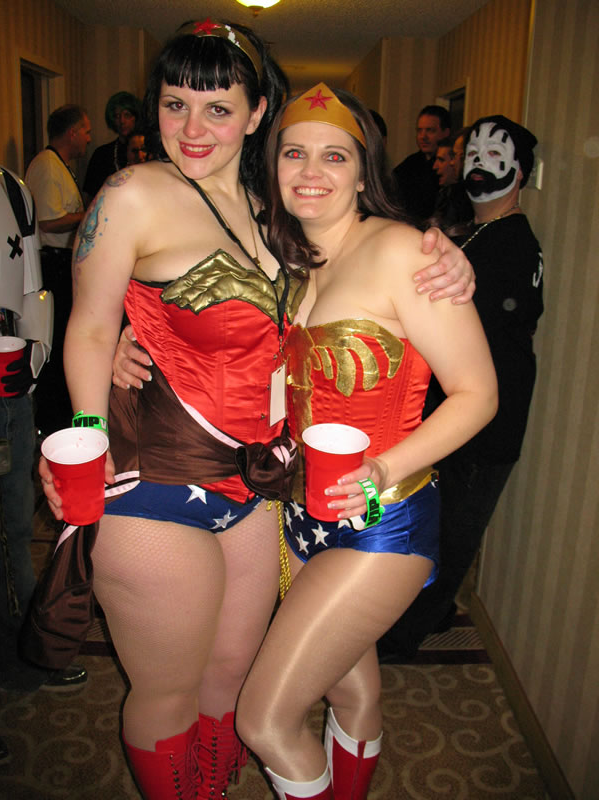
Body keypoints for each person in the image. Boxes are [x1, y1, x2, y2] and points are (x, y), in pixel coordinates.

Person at [39, 24, 475, 800]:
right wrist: (90, 426)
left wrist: (448, 254)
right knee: (167, 690)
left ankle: (211, 784)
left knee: (233, 675)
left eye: (218, 107)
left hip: (256, 485)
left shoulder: (276, 208)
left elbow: (358, 260)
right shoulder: (131, 193)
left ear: (255, 114)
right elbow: (92, 326)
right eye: (175, 104)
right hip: (157, 475)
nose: (193, 128)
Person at [232, 85, 497, 800]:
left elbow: (478, 393)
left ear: (362, 171)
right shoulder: (287, 258)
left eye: (334, 155)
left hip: (384, 520)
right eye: (294, 153)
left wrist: (383, 467)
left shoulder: (404, 251)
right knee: (349, 692)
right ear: (272, 166)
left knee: (264, 719)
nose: (310, 171)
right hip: (300, 515)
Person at [378, 115, 544, 663]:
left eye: (495, 155)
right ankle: (432, 610)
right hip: (465, 416)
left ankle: (403, 636)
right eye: (472, 152)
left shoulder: (509, 242)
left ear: (521, 172)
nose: (478, 164)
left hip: (485, 424)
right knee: (441, 521)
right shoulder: (477, 232)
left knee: (450, 535)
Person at [0, 166, 87, 708]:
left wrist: (31, 360)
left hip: (9, 386)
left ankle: (26, 654)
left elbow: (31, 287)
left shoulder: (12, 190)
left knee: (14, 530)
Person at [25, 104, 91, 435]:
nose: (89, 138)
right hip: (52, 264)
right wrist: (88, 214)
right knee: (57, 340)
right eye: (86, 131)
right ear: (72, 132)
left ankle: (63, 412)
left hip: (63, 262)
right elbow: (48, 222)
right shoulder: (47, 165)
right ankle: (52, 421)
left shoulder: (60, 166)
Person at [391, 104, 450, 223]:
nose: (423, 136)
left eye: (430, 130)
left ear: (445, 132)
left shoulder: (450, 168)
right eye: (419, 130)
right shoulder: (408, 165)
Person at [83, 91, 142, 199]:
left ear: (135, 117)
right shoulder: (101, 155)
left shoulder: (147, 152)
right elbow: (90, 197)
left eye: (127, 115)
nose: (122, 121)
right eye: (117, 116)